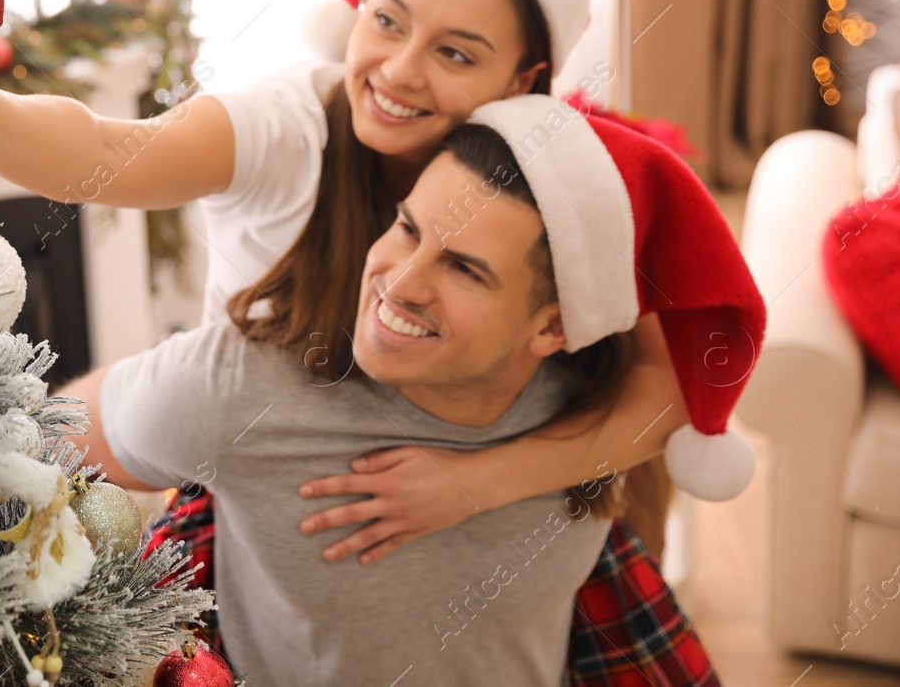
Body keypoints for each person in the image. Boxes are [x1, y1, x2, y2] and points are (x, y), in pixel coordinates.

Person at [0, 0, 711, 663]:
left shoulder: (555, 192)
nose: (399, 72)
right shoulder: (287, 128)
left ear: (525, 79)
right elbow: (112, 150)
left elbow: (664, 380)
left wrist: (478, 484)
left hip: (491, 522)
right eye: (386, 21)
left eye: (455, 52)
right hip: (272, 503)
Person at [64, 95, 765, 684]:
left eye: (464, 268)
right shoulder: (239, 387)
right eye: (406, 227)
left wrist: (482, 478)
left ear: (553, 327)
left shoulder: (599, 401)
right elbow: (53, 433)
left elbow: (688, 373)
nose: (398, 281)